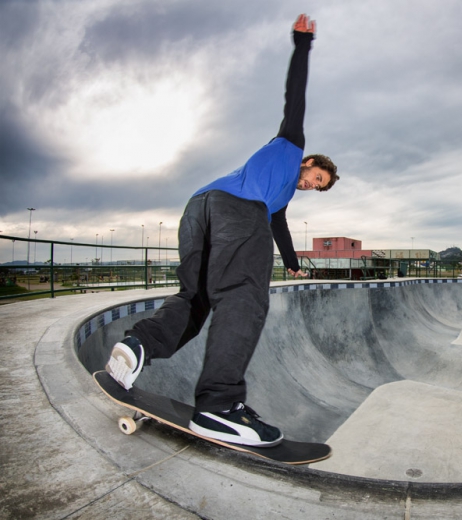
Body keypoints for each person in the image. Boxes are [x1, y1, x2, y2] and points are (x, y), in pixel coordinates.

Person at [105, 14, 338, 447]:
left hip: (199, 210)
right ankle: (219, 407)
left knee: (196, 299)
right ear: (310, 163)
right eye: (315, 178)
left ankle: (138, 345)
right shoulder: (291, 143)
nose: (310, 185)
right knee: (244, 297)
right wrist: (302, 44)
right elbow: (296, 97)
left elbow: (279, 225)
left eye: (316, 188)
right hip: (237, 214)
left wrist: (293, 264)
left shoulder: (280, 196)